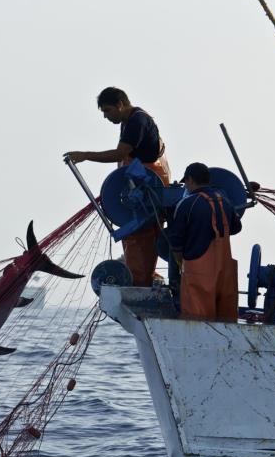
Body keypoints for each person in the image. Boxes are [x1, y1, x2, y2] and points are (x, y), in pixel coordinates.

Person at [65, 87, 171, 287]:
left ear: (120, 105)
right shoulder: (128, 121)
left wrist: (85, 155)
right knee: (134, 235)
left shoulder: (137, 121)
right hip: (137, 188)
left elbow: (119, 154)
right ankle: (138, 276)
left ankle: (141, 283)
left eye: (107, 111)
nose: (106, 116)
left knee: (142, 235)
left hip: (148, 190)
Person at [169, 162, 241, 321]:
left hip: (198, 273)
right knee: (225, 320)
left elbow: (175, 241)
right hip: (224, 271)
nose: (186, 186)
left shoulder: (187, 204)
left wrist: (179, 261)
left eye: (185, 182)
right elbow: (236, 228)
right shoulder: (225, 202)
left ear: (190, 180)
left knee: (197, 320)